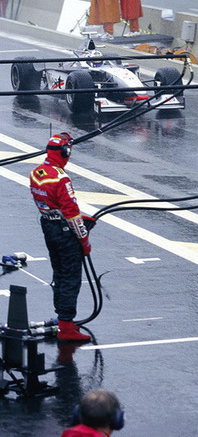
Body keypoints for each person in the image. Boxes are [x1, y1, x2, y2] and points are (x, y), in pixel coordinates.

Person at [29, 132, 93, 342]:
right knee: (70, 277)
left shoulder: (35, 173)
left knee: (59, 273)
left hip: (48, 227)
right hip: (65, 233)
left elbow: (51, 206)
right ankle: (66, 326)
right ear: (64, 153)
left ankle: (61, 318)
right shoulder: (61, 178)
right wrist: (84, 241)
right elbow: (72, 213)